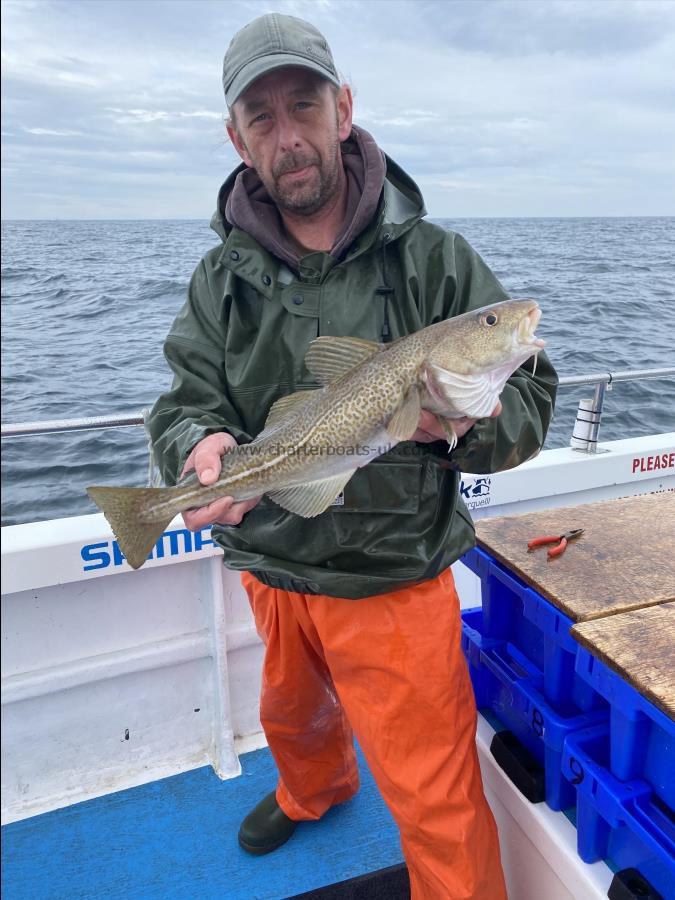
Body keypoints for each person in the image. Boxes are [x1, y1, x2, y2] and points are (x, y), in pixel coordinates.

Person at [147, 12, 557, 899]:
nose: (287, 136)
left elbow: (527, 402)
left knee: (438, 808)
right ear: (236, 138)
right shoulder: (221, 279)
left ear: (343, 108)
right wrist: (199, 445)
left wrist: (453, 420)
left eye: (304, 104)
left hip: (392, 578)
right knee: (291, 717)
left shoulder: (435, 261)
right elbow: (186, 400)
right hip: (274, 561)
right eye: (262, 118)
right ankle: (313, 789)